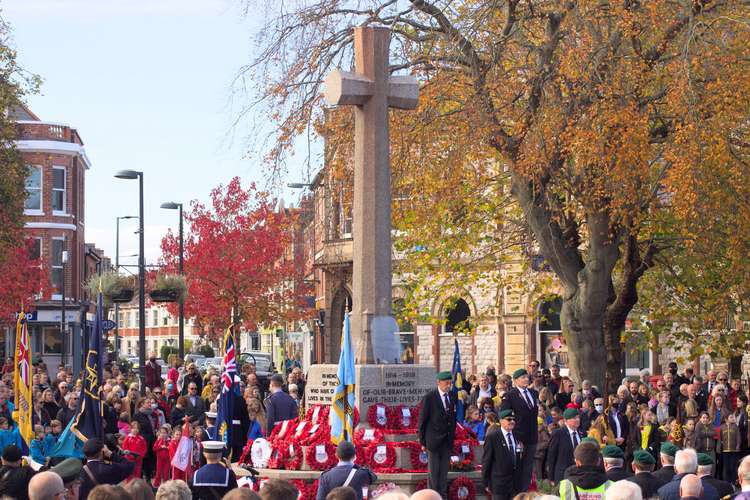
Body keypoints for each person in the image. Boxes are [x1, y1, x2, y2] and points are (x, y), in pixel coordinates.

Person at [418, 371, 457, 498]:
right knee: (434, 475)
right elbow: (422, 421)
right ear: (438, 382)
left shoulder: (452, 396)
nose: (448, 385)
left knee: (443, 474)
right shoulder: (430, 397)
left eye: (450, 383)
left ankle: (442, 497)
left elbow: (453, 419)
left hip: (446, 441)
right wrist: (423, 442)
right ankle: (433, 497)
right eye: (446, 383)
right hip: (433, 441)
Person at [500, 368, 538, 492]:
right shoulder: (510, 395)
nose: (526, 379)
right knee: (518, 466)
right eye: (523, 377)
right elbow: (505, 415)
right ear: (516, 381)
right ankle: (516, 493)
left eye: (527, 377)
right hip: (518, 436)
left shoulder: (533, 393)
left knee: (528, 467)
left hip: (532, 436)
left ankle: (524, 492)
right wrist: (514, 434)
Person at [482, 409, 522, 500]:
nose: (512, 421)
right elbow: (486, 461)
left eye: (513, 419)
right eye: (509, 419)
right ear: (501, 421)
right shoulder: (493, 437)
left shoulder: (517, 436)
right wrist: (485, 482)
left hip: (515, 485)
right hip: (499, 485)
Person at [547, 408, 583, 483]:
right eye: (574, 418)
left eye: (578, 417)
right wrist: (551, 477)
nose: (577, 420)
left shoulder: (582, 433)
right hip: (563, 474)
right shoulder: (558, 434)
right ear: (566, 421)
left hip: (579, 474)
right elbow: (552, 455)